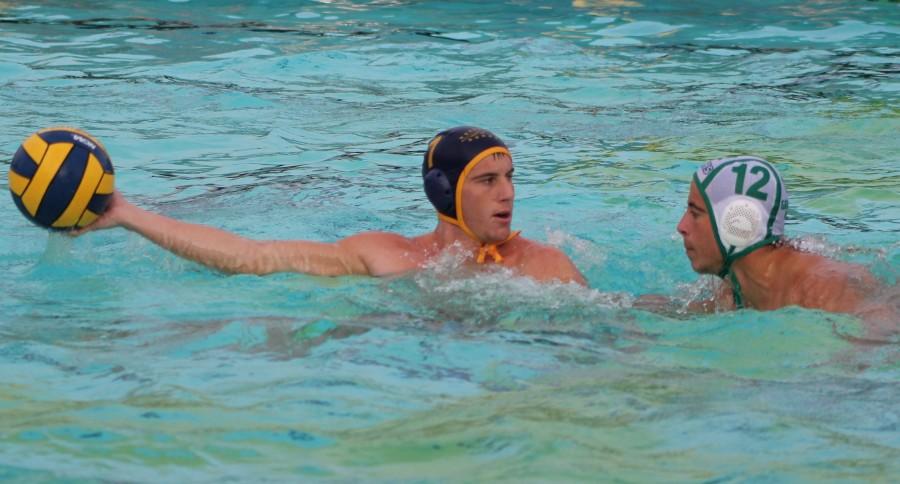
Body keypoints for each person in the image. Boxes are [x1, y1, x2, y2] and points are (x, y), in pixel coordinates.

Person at [79, 126, 586, 285]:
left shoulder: (548, 265)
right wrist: (128, 214)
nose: (508, 193)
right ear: (444, 191)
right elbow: (255, 258)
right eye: (488, 180)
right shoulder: (384, 256)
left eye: (511, 178)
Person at [671, 155, 897, 334]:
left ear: (738, 223)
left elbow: (880, 346)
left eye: (695, 212)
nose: (682, 226)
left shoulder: (822, 290)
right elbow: (673, 314)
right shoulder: (734, 290)